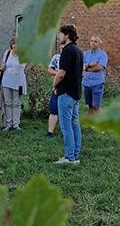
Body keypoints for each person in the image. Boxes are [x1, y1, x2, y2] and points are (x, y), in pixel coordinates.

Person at [52, 25, 83, 165]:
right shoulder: (79, 51)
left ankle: (69, 157)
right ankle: (75, 156)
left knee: (66, 126)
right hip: (76, 92)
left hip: (66, 93)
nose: (59, 37)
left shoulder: (67, 51)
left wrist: (54, 85)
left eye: (61, 35)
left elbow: (61, 73)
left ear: (67, 36)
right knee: (75, 124)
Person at [0, 38, 31, 131]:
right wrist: (2, 67)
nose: (15, 46)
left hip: (19, 82)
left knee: (17, 103)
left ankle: (16, 124)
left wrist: (27, 68)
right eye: (13, 44)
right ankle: (8, 124)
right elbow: (3, 64)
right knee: (8, 103)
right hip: (7, 81)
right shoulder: (7, 53)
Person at [82, 36, 108, 115]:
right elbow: (81, 66)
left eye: (95, 41)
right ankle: (91, 124)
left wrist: (87, 69)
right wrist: (91, 64)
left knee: (96, 105)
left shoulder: (103, 55)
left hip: (97, 83)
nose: (92, 43)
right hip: (86, 82)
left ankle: (104, 123)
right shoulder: (85, 54)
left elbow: (100, 67)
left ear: (100, 44)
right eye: (91, 41)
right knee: (90, 105)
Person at [44, 44, 64, 139]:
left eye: (64, 45)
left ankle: (66, 132)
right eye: (60, 46)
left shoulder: (72, 56)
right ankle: (50, 132)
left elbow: (82, 73)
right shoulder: (56, 57)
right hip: (56, 87)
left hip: (67, 88)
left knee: (67, 112)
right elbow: (49, 69)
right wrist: (58, 73)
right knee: (53, 110)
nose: (62, 47)